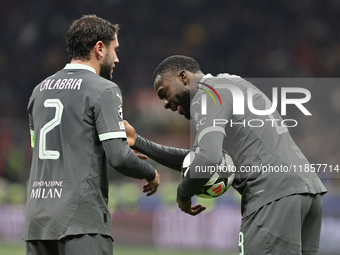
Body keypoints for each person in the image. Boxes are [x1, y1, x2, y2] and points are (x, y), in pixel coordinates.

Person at [124, 55, 327, 254]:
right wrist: (139, 143)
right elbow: (199, 159)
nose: (165, 104)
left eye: (163, 92)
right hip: (306, 191)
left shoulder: (206, 95)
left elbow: (207, 160)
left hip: (272, 195)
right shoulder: (232, 83)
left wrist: (183, 194)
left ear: (183, 77)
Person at [25, 15, 160, 255]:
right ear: (99, 48)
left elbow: (40, 149)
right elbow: (119, 158)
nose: (117, 58)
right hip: (81, 222)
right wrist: (151, 173)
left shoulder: (39, 91)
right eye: (114, 49)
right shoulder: (104, 89)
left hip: (38, 223)